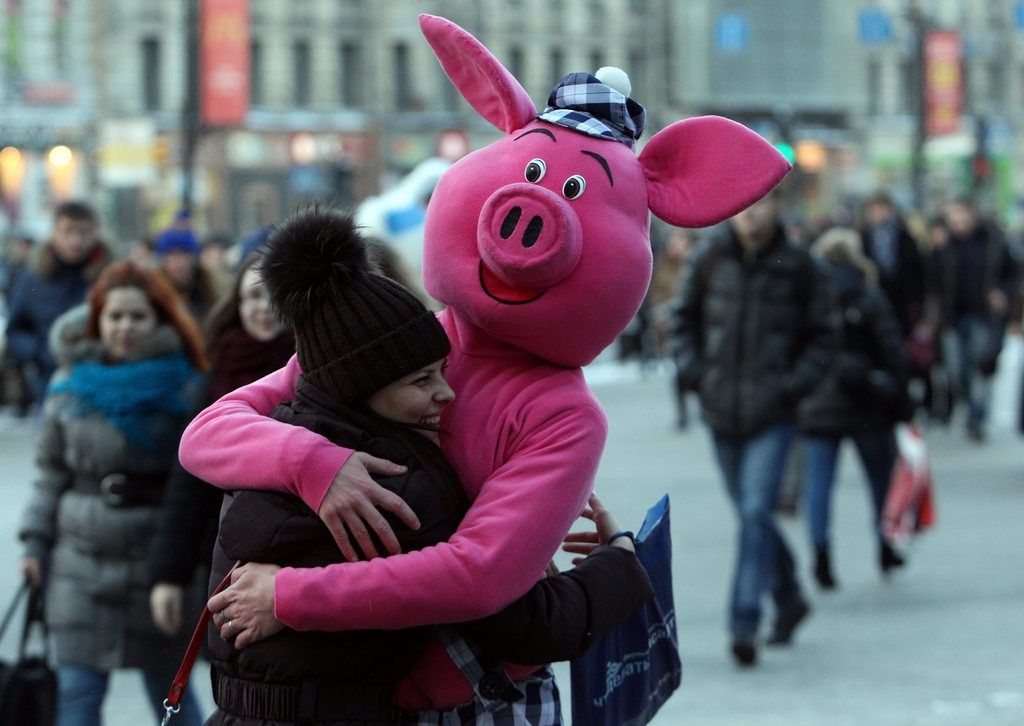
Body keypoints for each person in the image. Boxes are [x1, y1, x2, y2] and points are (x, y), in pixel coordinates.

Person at [203, 210, 652, 724]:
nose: (447, 392)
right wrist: (623, 563)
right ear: (360, 387)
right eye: (420, 381)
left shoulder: (271, 443)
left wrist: (312, 464)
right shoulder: (400, 488)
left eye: (442, 369)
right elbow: (522, 617)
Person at [17, 261, 208, 726]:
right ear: (97, 321)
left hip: (157, 566)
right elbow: (49, 474)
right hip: (78, 566)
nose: (124, 327)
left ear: (159, 320)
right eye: (114, 316)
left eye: (137, 317)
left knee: (171, 698)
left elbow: (195, 489)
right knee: (77, 700)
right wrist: (34, 544)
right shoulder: (68, 385)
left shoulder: (188, 387)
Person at [672, 191, 839, 666]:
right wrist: (696, 376)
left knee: (754, 511)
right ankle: (789, 596)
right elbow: (682, 321)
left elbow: (825, 336)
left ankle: (743, 621)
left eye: (761, 205)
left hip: (773, 413)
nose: (750, 214)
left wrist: (792, 387)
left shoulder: (799, 264)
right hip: (721, 411)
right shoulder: (710, 258)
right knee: (755, 515)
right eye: (743, 205)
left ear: (778, 208)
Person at [148, 253, 295, 639]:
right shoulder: (217, 374)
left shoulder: (317, 371)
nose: (262, 307)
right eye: (251, 297)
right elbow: (187, 488)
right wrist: (169, 574)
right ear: (236, 305)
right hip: (223, 558)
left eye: (272, 295)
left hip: (297, 564)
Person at [797, 228, 911, 590]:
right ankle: (885, 544)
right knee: (879, 478)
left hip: (818, 404)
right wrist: (900, 395)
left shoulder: (806, 296)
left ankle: (821, 556)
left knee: (818, 485)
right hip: (867, 405)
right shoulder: (869, 295)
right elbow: (892, 349)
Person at [4, 202, 112, 405]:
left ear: (95, 233)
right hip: (50, 385)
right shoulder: (33, 276)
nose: (76, 240)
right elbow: (15, 333)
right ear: (54, 232)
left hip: (106, 383)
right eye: (68, 231)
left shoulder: (111, 274)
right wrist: (40, 351)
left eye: (83, 232)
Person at [934, 199, 1020, 441]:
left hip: (982, 314)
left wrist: (1002, 293)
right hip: (954, 315)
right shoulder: (944, 245)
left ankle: (977, 417)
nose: (958, 224)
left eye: (962, 218)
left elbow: (1012, 274)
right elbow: (931, 280)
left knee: (979, 364)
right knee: (957, 369)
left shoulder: (993, 242)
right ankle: (971, 407)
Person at [154, 225, 222, 322]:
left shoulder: (209, 287)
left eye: (183, 253)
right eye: (171, 254)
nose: (178, 261)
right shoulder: (155, 292)